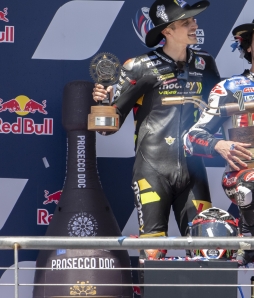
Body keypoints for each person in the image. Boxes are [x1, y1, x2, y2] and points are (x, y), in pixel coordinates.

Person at [91, 0, 219, 290]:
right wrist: (102, 104)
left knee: (204, 249)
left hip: (195, 171)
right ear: (169, 30)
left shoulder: (205, 63)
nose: (195, 25)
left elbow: (221, 109)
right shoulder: (138, 66)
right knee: (152, 252)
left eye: (193, 21)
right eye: (187, 22)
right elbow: (107, 130)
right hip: (152, 171)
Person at [182, 11, 254, 298]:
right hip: (244, 180)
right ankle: (247, 239)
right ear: (248, 47)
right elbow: (190, 138)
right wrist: (218, 146)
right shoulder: (229, 88)